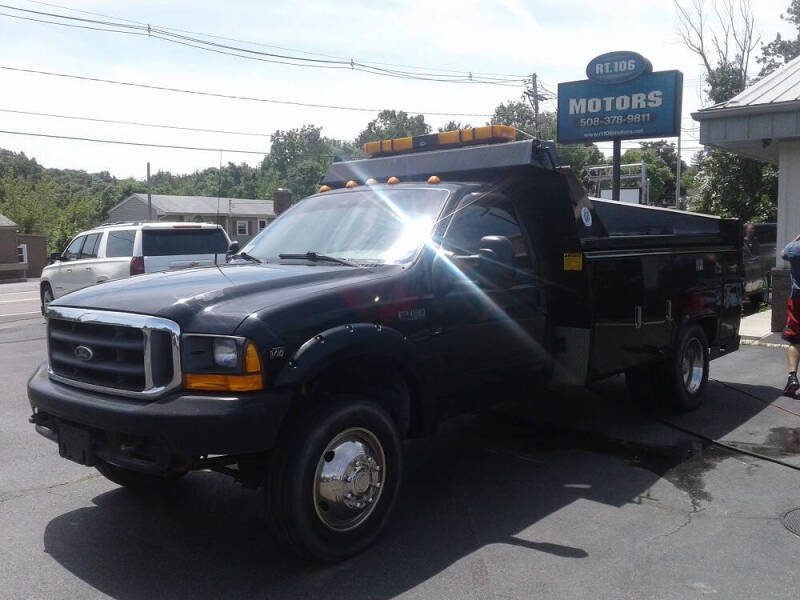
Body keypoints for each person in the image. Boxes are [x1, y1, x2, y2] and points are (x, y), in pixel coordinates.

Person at [781, 233, 800, 396]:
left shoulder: (795, 248)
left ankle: (792, 379)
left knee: (795, 340)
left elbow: (783, 253)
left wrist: (798, 237)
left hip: (797, 299)